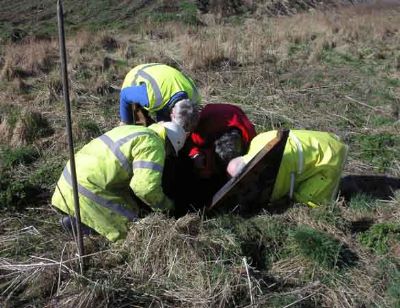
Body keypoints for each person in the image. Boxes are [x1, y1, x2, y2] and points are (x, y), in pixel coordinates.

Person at [51, 122, 187, 241]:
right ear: (170, 145)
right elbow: (145, 189)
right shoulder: (154, 144)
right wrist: (166, 207)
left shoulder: (132, 130)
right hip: (87, 190)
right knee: (132, 231)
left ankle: (80, 218)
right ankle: (79, 225)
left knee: (130, 207)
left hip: (68, 180)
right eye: (169, 153)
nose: (167, 155)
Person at [227, 130, 348, 207]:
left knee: (311, 202)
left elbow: (277, 196)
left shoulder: (277, 180)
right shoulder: (257, 141)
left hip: (331, 156)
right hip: (322, 139)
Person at [169, 103, 256, 211]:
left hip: (236, 137)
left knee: (224, 159)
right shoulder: (195, 116)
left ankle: (227, 182)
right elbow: (191, 142)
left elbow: (198, 140)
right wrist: (195, 154)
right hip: (230, 126)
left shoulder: (209, 127)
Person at [119, 63, 201, 130]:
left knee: (164, 128)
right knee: (140, 124)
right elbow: (124, 95)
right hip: (136, 78)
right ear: (172, 114)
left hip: (162, 75)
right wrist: (126, 123)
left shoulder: (195, 96)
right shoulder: (150, 97)